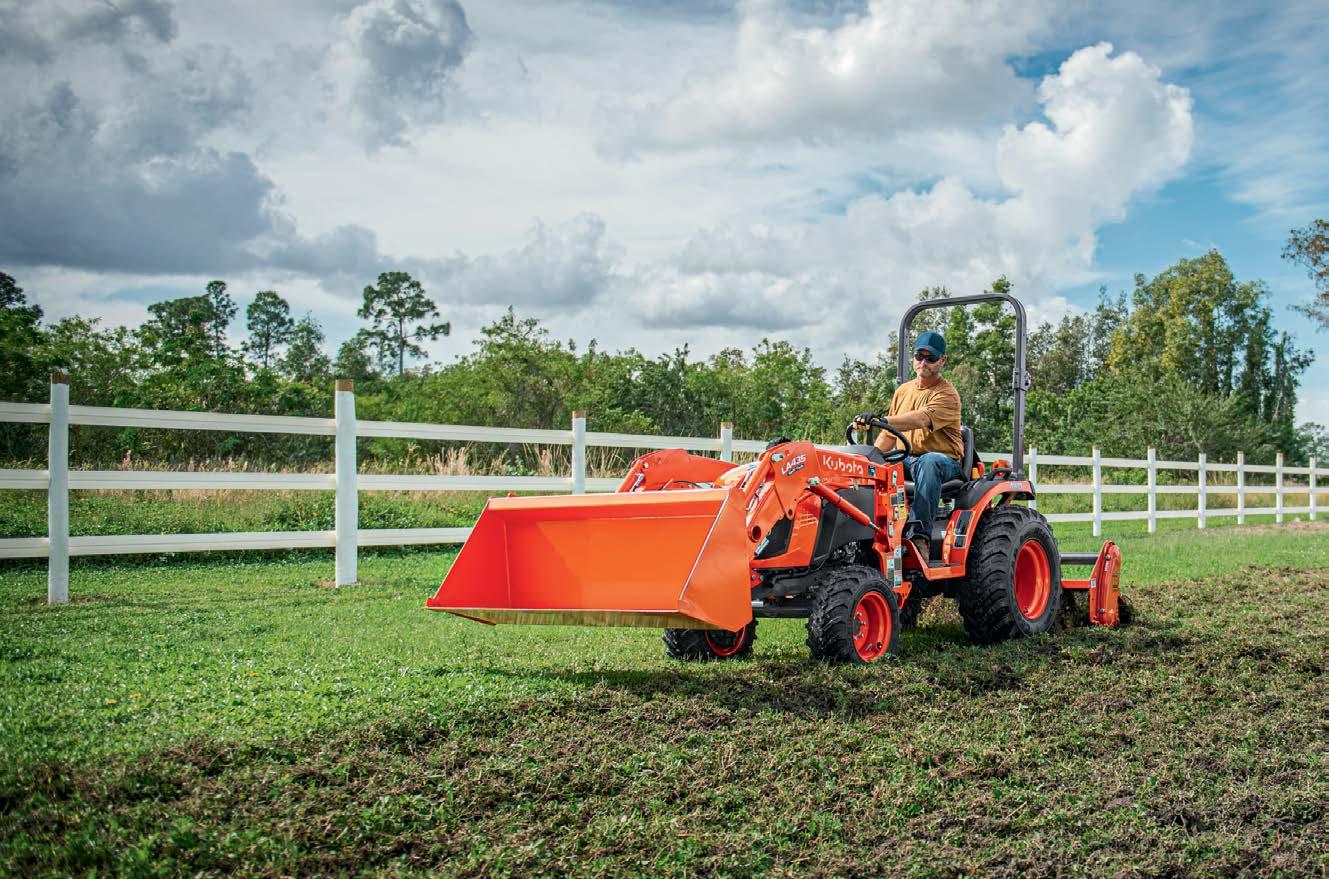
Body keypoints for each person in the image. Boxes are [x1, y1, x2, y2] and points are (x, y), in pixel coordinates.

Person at [854, 330, 964, 561]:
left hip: (945, 462)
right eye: (919, 356)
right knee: (873, 466)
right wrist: (868, 459)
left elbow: (922, 419)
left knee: (928, 461)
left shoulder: (947, 394)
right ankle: (866, 532)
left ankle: (919, 537)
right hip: (908, 458)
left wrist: (881, 420)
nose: (923, 362)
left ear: (942, 360)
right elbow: (889, 435)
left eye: (931, 358)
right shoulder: (903, 391)